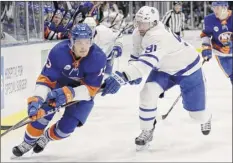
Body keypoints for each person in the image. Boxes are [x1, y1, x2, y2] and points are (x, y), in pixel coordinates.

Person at [101, 6, 212, 150]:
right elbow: (136, 56)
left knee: (197, 115)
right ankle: (147, 130)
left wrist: (122, 76)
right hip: (163, 69)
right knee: (147, 93)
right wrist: (133, 71)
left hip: (189, 70)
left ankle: (206, 117)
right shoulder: (138, 32)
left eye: (144, 23)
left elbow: (146, 63)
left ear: (153, 23)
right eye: (138, 22)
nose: (140, 26)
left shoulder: (158, 35)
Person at [12, 23, 107, 157]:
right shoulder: (58, 52)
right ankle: (27, 142)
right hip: (59, 86)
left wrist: (71, 93)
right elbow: (46, 79)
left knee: (67, 128)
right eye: (79, 42)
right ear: (71, 41)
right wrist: (37, 98)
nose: (84, 46)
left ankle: (46, 137)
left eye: (87, 41)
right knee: (41, 115)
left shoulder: (98, 57)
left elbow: (91, 89)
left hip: (82, 94)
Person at [200, 1, 232, 84]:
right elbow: (205, 35)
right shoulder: (209, 19)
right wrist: (206, 48)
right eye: (213, 8)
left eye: (217, 8)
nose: (215, 10)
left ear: (225, 8)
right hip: (222, 54)